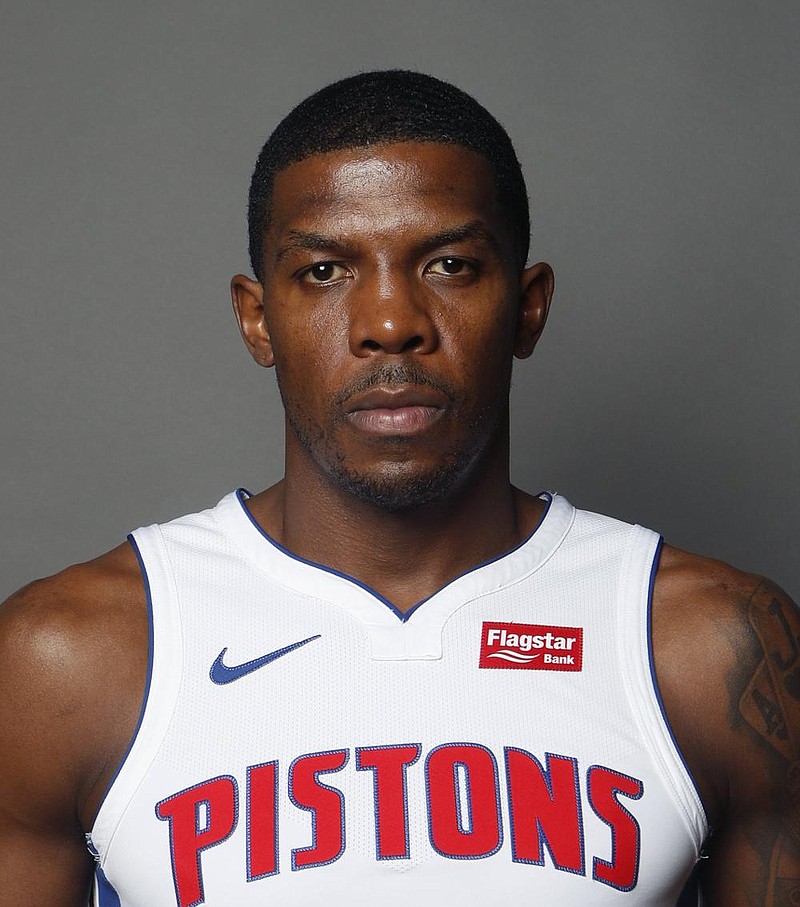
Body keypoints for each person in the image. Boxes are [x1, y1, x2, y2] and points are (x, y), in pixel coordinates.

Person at [0, 70, 797, 907]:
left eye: (450, 263)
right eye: (323, 271)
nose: (390, 321)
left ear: (527, 308)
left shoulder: (714, 650)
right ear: (257, 318)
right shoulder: (70, 660)